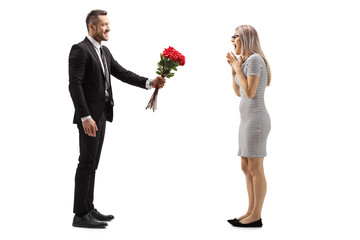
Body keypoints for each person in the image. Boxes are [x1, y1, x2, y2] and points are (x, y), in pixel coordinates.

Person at [69, 9, 165, 228]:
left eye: (108, 24)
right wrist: (85, 116)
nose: (108, 28)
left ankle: (89, 208)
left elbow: (122, 73)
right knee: (86, 162)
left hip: (102, 114)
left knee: (93, 163)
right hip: (89, 117)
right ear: (91, 27)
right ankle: (80, 214)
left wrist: (150, 82)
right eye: (103, 25)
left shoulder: (103, 52)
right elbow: (74, 85)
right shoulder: (80, 50)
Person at [226, 25, 271, 228]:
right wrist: (233, 69)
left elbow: (251, 92)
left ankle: (256, 215)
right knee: (246, 167)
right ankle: (250, 211)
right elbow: (238, 92)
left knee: (255, 168)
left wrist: (238, 69)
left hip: (257, 120)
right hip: (246, 121)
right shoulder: (244, 61)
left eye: (234, 36)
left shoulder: (255, 60)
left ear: (245, 38)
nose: (232, 40)